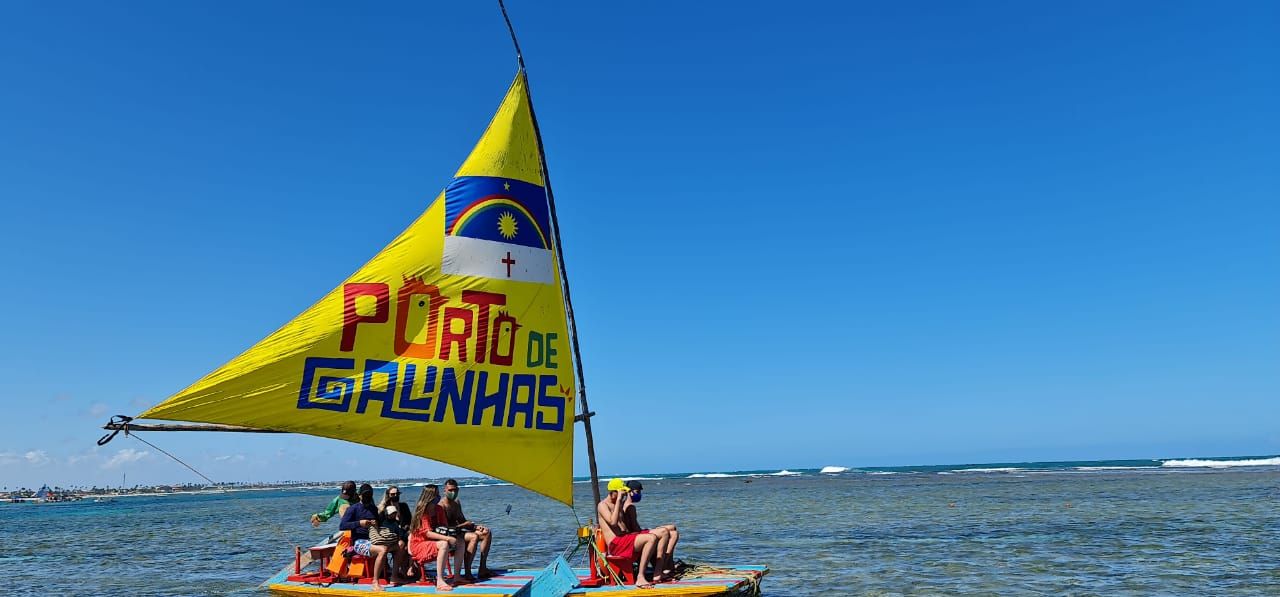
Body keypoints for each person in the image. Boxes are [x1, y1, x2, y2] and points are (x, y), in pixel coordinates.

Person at [339, 483, 405, 591]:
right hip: (359, 543)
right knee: (382, 550)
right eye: (365, 495)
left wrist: (376, 523)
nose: (367, 497)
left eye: (369, 495)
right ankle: (375, 582)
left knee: (400, 545)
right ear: (359, 495)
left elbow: (381, 524)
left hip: (374, 539)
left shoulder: (373, 509)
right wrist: (359, 523)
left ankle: (394, 576)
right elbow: (342, 525)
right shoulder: (353, 509)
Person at [598, 478, 661, 589]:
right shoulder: (603, 505)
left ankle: (660, 569)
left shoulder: (617, 504)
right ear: (614, 492)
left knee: (656, 535)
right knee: (650, 539)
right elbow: (613, 522)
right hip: (615, 544)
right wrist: (618, 501)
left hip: (624, 539)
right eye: (621, 493)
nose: (623, 496)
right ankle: (640, 577)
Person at [407, 484, 466, 592]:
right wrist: (447, 539)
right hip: (419, 544)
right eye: (436, 495)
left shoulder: (439, 509)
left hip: (434, 540)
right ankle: (440, 580)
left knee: (460, 542)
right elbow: (427, 533)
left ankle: (457, 576)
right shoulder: (422, 511)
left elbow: (444, 526)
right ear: (430, 496)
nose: (438, 497)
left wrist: (454, 534)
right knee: (444, 544)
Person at [624, 480, 680, 582]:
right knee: (668, 531)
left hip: (636, 534)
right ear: (629, 492)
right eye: (637, 492)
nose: (639, 495)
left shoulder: (627, 505)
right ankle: (660, 568)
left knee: (673, 531)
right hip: (635, 535)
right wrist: (651, 531)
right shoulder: (630, 507)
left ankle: (666, 565)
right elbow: (635, 529)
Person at [440, 479, 494, 580]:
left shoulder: (456, 502)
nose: (453, 492)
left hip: (459, 531)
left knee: (486, 532)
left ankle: (482, 568)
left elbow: (462, 520)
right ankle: (467, 572)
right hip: (448, 534)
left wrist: (475, 526)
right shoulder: (441, 506)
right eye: (450, 490)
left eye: (455, 490)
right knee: (474, 537)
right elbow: (443, 528)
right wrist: (464, 525)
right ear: (445, 491)